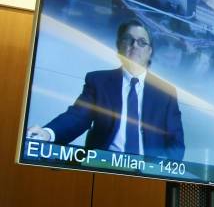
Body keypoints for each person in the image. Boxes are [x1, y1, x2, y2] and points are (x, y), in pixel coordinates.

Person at [26, 19, 185, 160]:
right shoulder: (98, 81)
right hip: (103, 167)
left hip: (148, 175)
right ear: (119, 47)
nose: (134, 45)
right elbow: (76, 118)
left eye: (142, 42)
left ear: (150, 52)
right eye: (128, 40)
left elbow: (176, 145)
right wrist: (47, 133)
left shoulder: (166, 92)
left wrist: (157, 169)